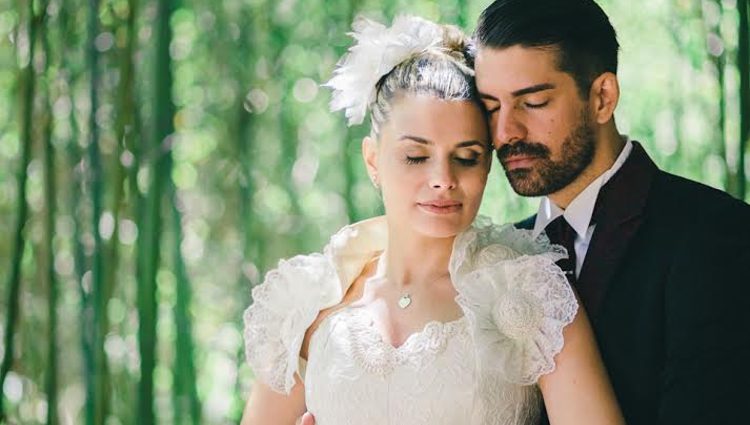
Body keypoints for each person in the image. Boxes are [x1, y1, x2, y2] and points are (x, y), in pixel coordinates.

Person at [240, 15, 625, 425]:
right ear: (373, 160)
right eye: (416, 156)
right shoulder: (309, 300)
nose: (443, 180)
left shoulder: (528, 294)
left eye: (466, 158)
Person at [471, 1, 750, 424]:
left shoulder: (719, 237)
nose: (506, 132)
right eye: (491, 107)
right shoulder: (498, 258)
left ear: (603, 97)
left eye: (534, 102)